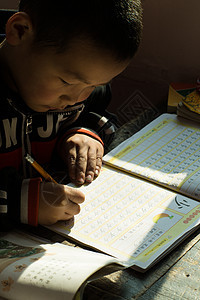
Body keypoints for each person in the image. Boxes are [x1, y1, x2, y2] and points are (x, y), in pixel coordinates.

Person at [0, 0, 143, 230]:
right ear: (19, 30)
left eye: (94, 86)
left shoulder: (78, 86)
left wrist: (85, 132)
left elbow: (95, 112)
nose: (76, 99)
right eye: (66, 82)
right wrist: (18, 202)